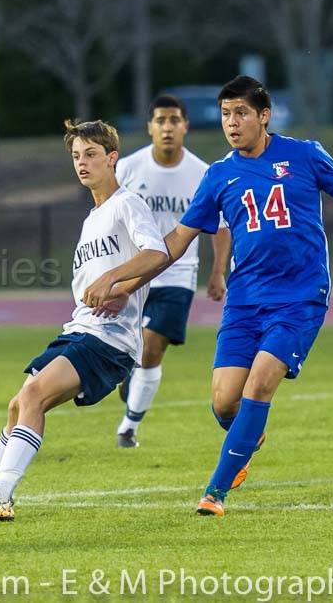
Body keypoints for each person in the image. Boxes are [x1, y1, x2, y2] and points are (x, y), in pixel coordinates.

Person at [83, 76, 333, 517]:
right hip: (245, 302)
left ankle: (215, 491)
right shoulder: (219, 175)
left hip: (299, 297)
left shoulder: (305, 155)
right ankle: (247, 435)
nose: (232, 123)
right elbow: (175, 241)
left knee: (260, 383)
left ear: (263, 116)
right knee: (223, 402)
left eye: (241, 114)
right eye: (225, 114)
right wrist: (125, 282)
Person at [0, 119, 167, 521]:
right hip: (81, 330)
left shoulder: (127, 203)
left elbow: (157, 254)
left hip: (109, 340)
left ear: (112, 158)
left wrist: (115, 281)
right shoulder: (91, 220)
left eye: (91, 154)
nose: (82, 163)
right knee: (19, 404)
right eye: (75, 156)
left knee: (32, 397)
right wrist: (115, 285)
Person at [113, 94, 231, 448]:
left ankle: (128, 427)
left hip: (177, 276)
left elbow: (221, 226)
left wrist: (217, 272)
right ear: (149, 127)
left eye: (174, 120)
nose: (167, 127)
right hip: (134, 274)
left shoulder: (202, 174)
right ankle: (129, 375)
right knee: (125, 349)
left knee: (152, 349)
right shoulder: (128, 169)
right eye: (161, 120)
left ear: (185, 126)